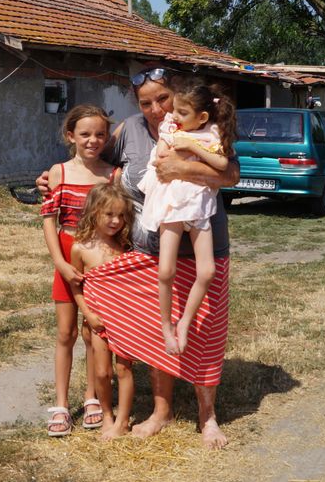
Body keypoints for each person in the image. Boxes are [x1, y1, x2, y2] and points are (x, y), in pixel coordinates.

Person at [36, 67, 238, 448]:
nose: (157, 109)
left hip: (203, 239)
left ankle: (206, 415)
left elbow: (232, 174)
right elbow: (92, 160)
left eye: (163, 99)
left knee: (206, 329)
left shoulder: (200, 127)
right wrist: (50, 177)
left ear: (177, 95)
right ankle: (161, 411)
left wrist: (185, 166)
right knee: (154, 330)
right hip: (147, 249)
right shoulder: (128, 130)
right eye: (146, 103)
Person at [136, 83, 234, 357]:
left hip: (199, 207)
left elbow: (223, 165)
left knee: (208, 272)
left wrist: (192, 145)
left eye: (182, 111)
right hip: (172, 206)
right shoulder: (171, 128)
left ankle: (185, 323)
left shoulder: (212, 132)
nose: (173, 115)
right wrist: (179, 145)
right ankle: (166, 326)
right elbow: (161, 158)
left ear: (202, 117)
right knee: (166, 271)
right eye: (175, 110)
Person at [39, 104, 118, 437]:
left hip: (101, 264)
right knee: (66, 333)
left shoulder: (113, 175)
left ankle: (91, 398)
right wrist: (59, 262)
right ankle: (60, 403)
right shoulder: (58, 172)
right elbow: (48, 220)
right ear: (70, 136)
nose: (93, 140)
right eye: (85, 134)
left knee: (94, 333)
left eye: (100, 134)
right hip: (68, 258)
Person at [68, 183, 135, 440]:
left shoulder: (125, 245)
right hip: (98, 321)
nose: (116, 221)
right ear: (94, 211)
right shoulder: (80, 248)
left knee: (124, 370)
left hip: (124, 319)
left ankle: (124, 418)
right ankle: (107, 414)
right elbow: (76, 289)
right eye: (109, 214)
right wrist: (88, 314)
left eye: (121, 215)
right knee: (102, 372)